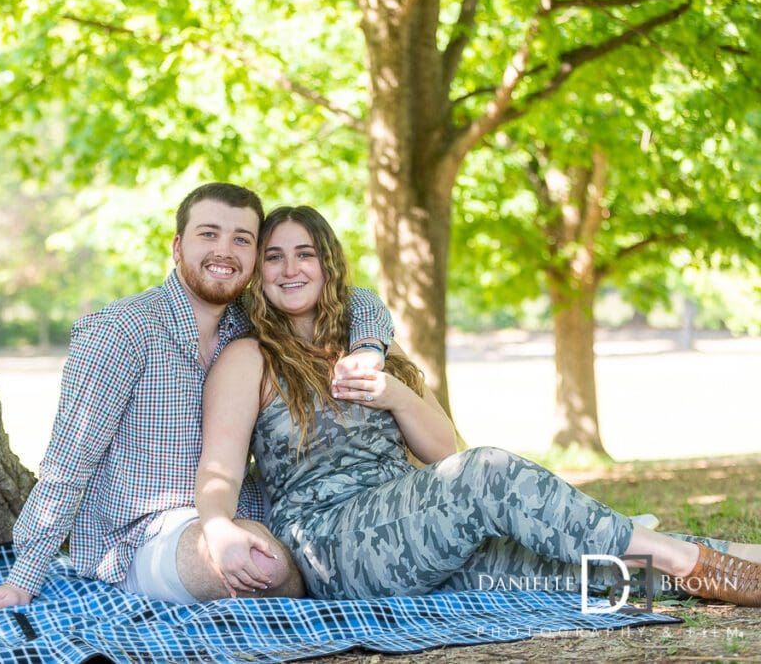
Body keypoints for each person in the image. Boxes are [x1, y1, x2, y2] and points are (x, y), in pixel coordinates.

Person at [195, 204, 761, 606]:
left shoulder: (372, 347)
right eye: (273, 257)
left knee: (573, 572)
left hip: (420, 525)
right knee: (485, 470)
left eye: (305, 255)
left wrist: (393, 393)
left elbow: (443, 449)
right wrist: (217, 526)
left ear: (330, 265)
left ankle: (736, 562)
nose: (290, 269)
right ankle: (683, 559)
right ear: (259, 275)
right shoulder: (250, 358)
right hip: (335, 545)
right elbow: (217, 470)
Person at [0, 184, 395, 611]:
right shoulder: (123, 331)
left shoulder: (253, 325)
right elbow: (68, 462)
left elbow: (360, 299)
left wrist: (370, 349)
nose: (224, 251)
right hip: (144, 536)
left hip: (242, 513)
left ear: (256, 258)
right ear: (178, 247)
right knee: (264, 566)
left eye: (242, 240)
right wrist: (23, 579)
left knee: (331, 538)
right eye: (208, 234)